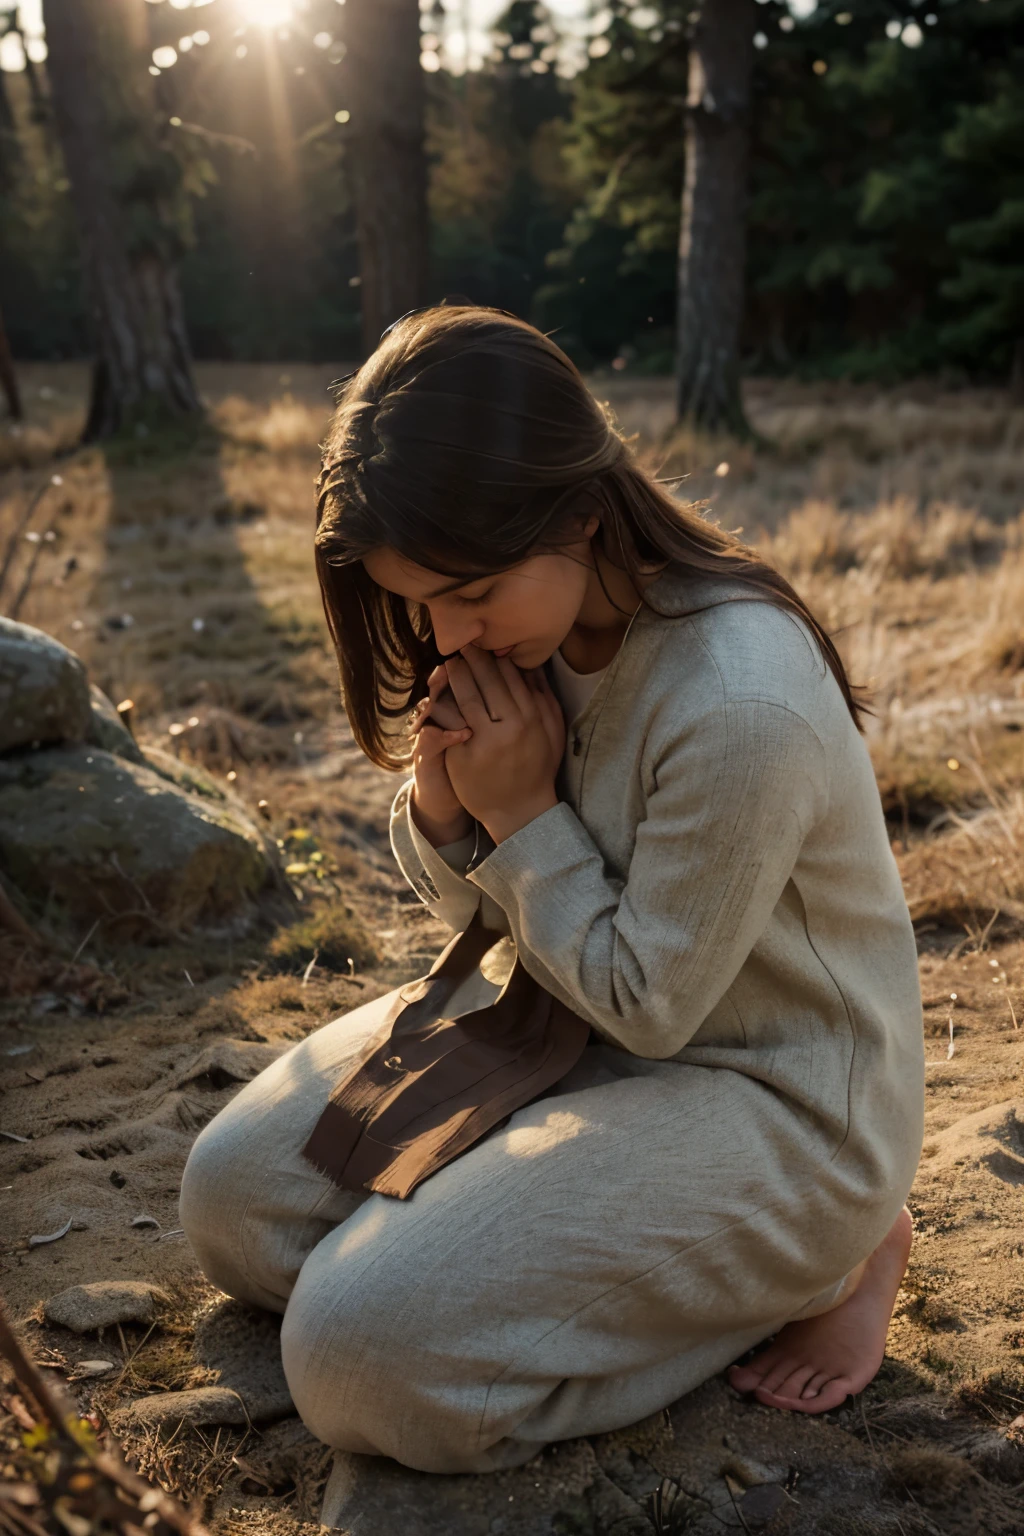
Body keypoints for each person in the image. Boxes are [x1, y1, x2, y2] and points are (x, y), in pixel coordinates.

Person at [180, 305, 924, 1479]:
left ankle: (832, 1257)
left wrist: (524, 818)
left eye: (467, 593)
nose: (443, 633)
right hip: (561, 1025)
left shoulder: (736, 704)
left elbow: (650, 1005)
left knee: (354, 1359)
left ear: (580, 510)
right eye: (417, 600)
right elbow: (487, 922)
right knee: (232, 1207)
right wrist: (446, 809)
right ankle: (546, 1250)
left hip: (767, 1094)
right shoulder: (520, 631)